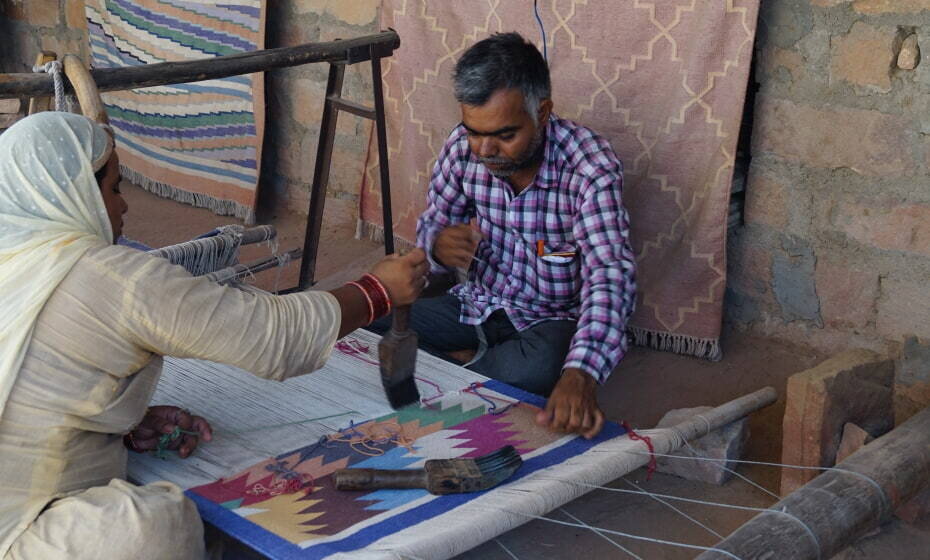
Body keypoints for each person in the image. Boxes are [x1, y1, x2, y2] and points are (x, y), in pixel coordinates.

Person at [0, 112, 428, 559]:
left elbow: (35, 385)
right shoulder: (112, 278)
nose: (124, 205)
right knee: (152, 529)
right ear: (76, 195)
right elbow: (273, 336)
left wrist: (118, 425)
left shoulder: (14, 264)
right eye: (113, 188)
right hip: (22, 528)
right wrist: (379, 291)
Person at [370, 33, 636, 441]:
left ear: (542, 113)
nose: (485, 149)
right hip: (476, 303)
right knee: (371, 312)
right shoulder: (463, 148)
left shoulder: (589, 166)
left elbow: (609, 276)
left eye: (505, 135)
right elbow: (430, 236)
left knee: (537, 369)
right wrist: (438, 248)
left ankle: (453, 373)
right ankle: (471, 372)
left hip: (549, 320)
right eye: (475, 131)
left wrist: (581, 372)